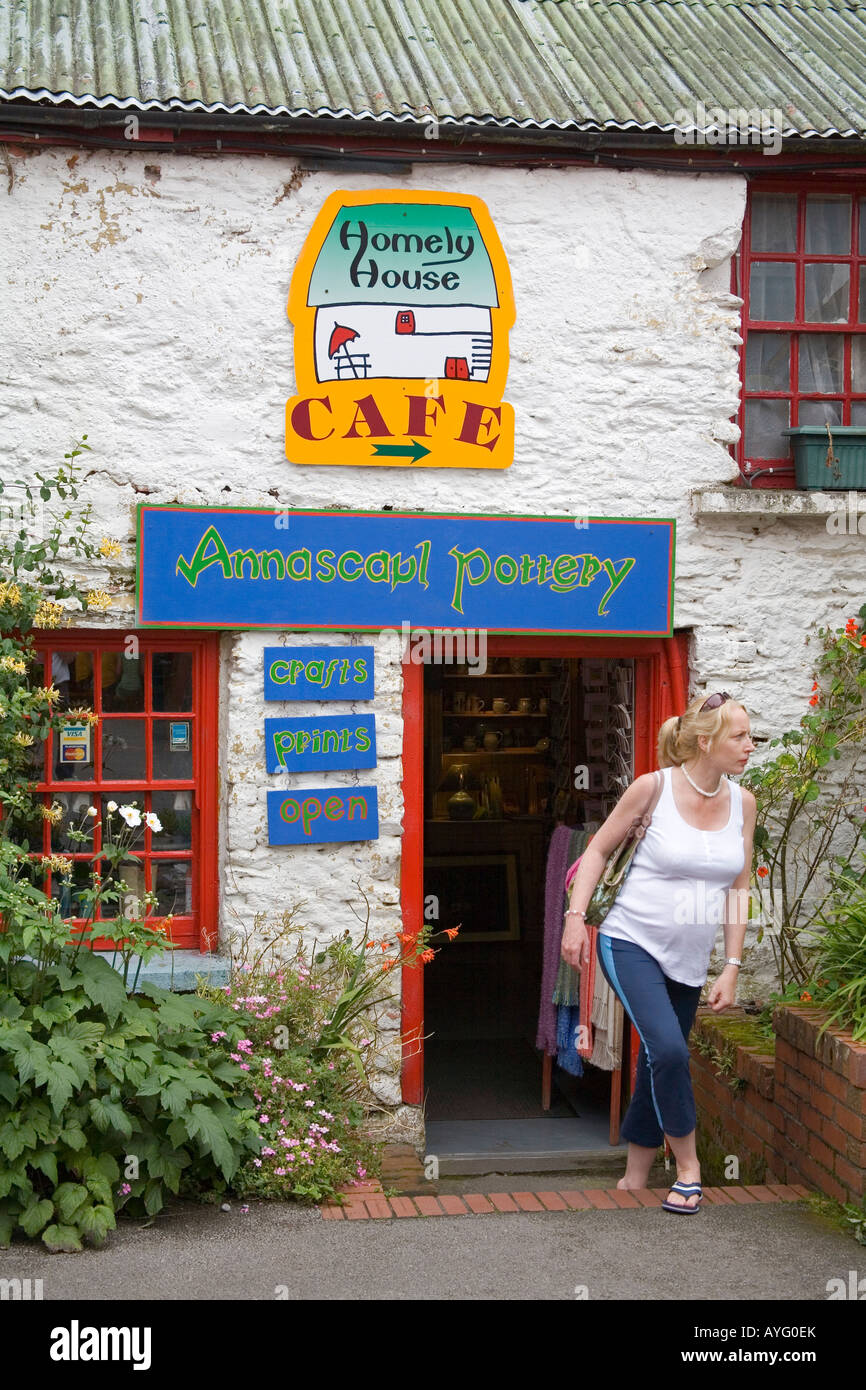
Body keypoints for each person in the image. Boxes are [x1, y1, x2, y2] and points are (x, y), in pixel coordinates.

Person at [560, 692, 757, 1213]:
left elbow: (740, 888)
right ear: (704, 740)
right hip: (630, 940)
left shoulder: (744, 802)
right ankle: (690, 1168)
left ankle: (634, 1179)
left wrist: (731, 966)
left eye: (750, 736)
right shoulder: (653, 788)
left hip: (689, 958)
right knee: (670, 1050)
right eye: (739, 736)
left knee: (656, 1055)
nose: (749, 746)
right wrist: (575, 921)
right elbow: (598, 848)